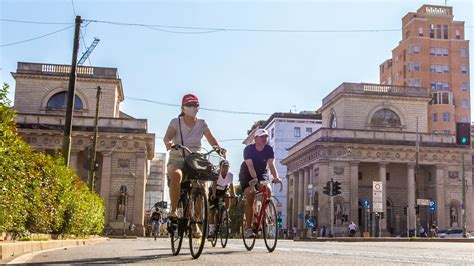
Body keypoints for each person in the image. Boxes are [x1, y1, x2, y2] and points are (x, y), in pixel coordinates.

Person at [163, 94, 225, 238]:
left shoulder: (202, 123)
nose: (192, 107)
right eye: (189, 105)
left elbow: (211, 139)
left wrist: (219, 149)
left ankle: (195, 221)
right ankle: (173, 211)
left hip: (195, 160)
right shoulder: (175, 122)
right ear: (183, 107)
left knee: (202, 186)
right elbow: (167, 137)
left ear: (198, 108)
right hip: (177, 159)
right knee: (176, 175)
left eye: (195, 105)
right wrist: (168, 143)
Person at [239, 128, 281, 238]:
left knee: (268, 189)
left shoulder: (269, 149)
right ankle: (248, 227)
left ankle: (265, 215)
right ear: (255, 138)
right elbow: (250, 166)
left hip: (262, 172)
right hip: (247, 173)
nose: (264, 139)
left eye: (266, 137)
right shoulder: (248, 149)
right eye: (262, 137)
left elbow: (271, 165)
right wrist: (255, 181)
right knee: (250, 194)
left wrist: (276, 177)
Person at [208, 160, 236, 239]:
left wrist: (234, 195)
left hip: (223, 189)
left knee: (228, 196)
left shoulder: (230, 175)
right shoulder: (216, 173)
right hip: (214, 190)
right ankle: (211, 231)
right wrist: (213, 194)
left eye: (227, 167)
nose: (225, 168)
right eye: (224, 166)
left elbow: (231, 186)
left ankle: (225, 213)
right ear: (220, 167)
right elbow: (213, 184)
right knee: (212, 211)